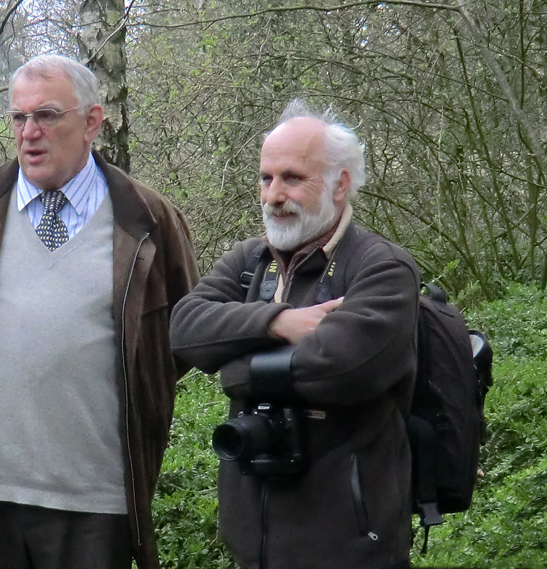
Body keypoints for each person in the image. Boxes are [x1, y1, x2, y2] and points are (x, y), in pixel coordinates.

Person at [0, 54, 199, 569]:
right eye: (19, 118)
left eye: (46, 115)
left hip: (97, 505)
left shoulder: (148, 219)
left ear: (91, 122)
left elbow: (177, 339)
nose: (29, 133)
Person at [170, 100, 419, 569]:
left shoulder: (381, 268)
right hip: (254, 549)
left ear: (339, 184)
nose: (273, 195)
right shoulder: (250, 261)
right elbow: (184, 331)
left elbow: (341, 366)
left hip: (351, 548)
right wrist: (276, 322)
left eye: (292, 178)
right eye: (266, 178)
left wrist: (234, 367)